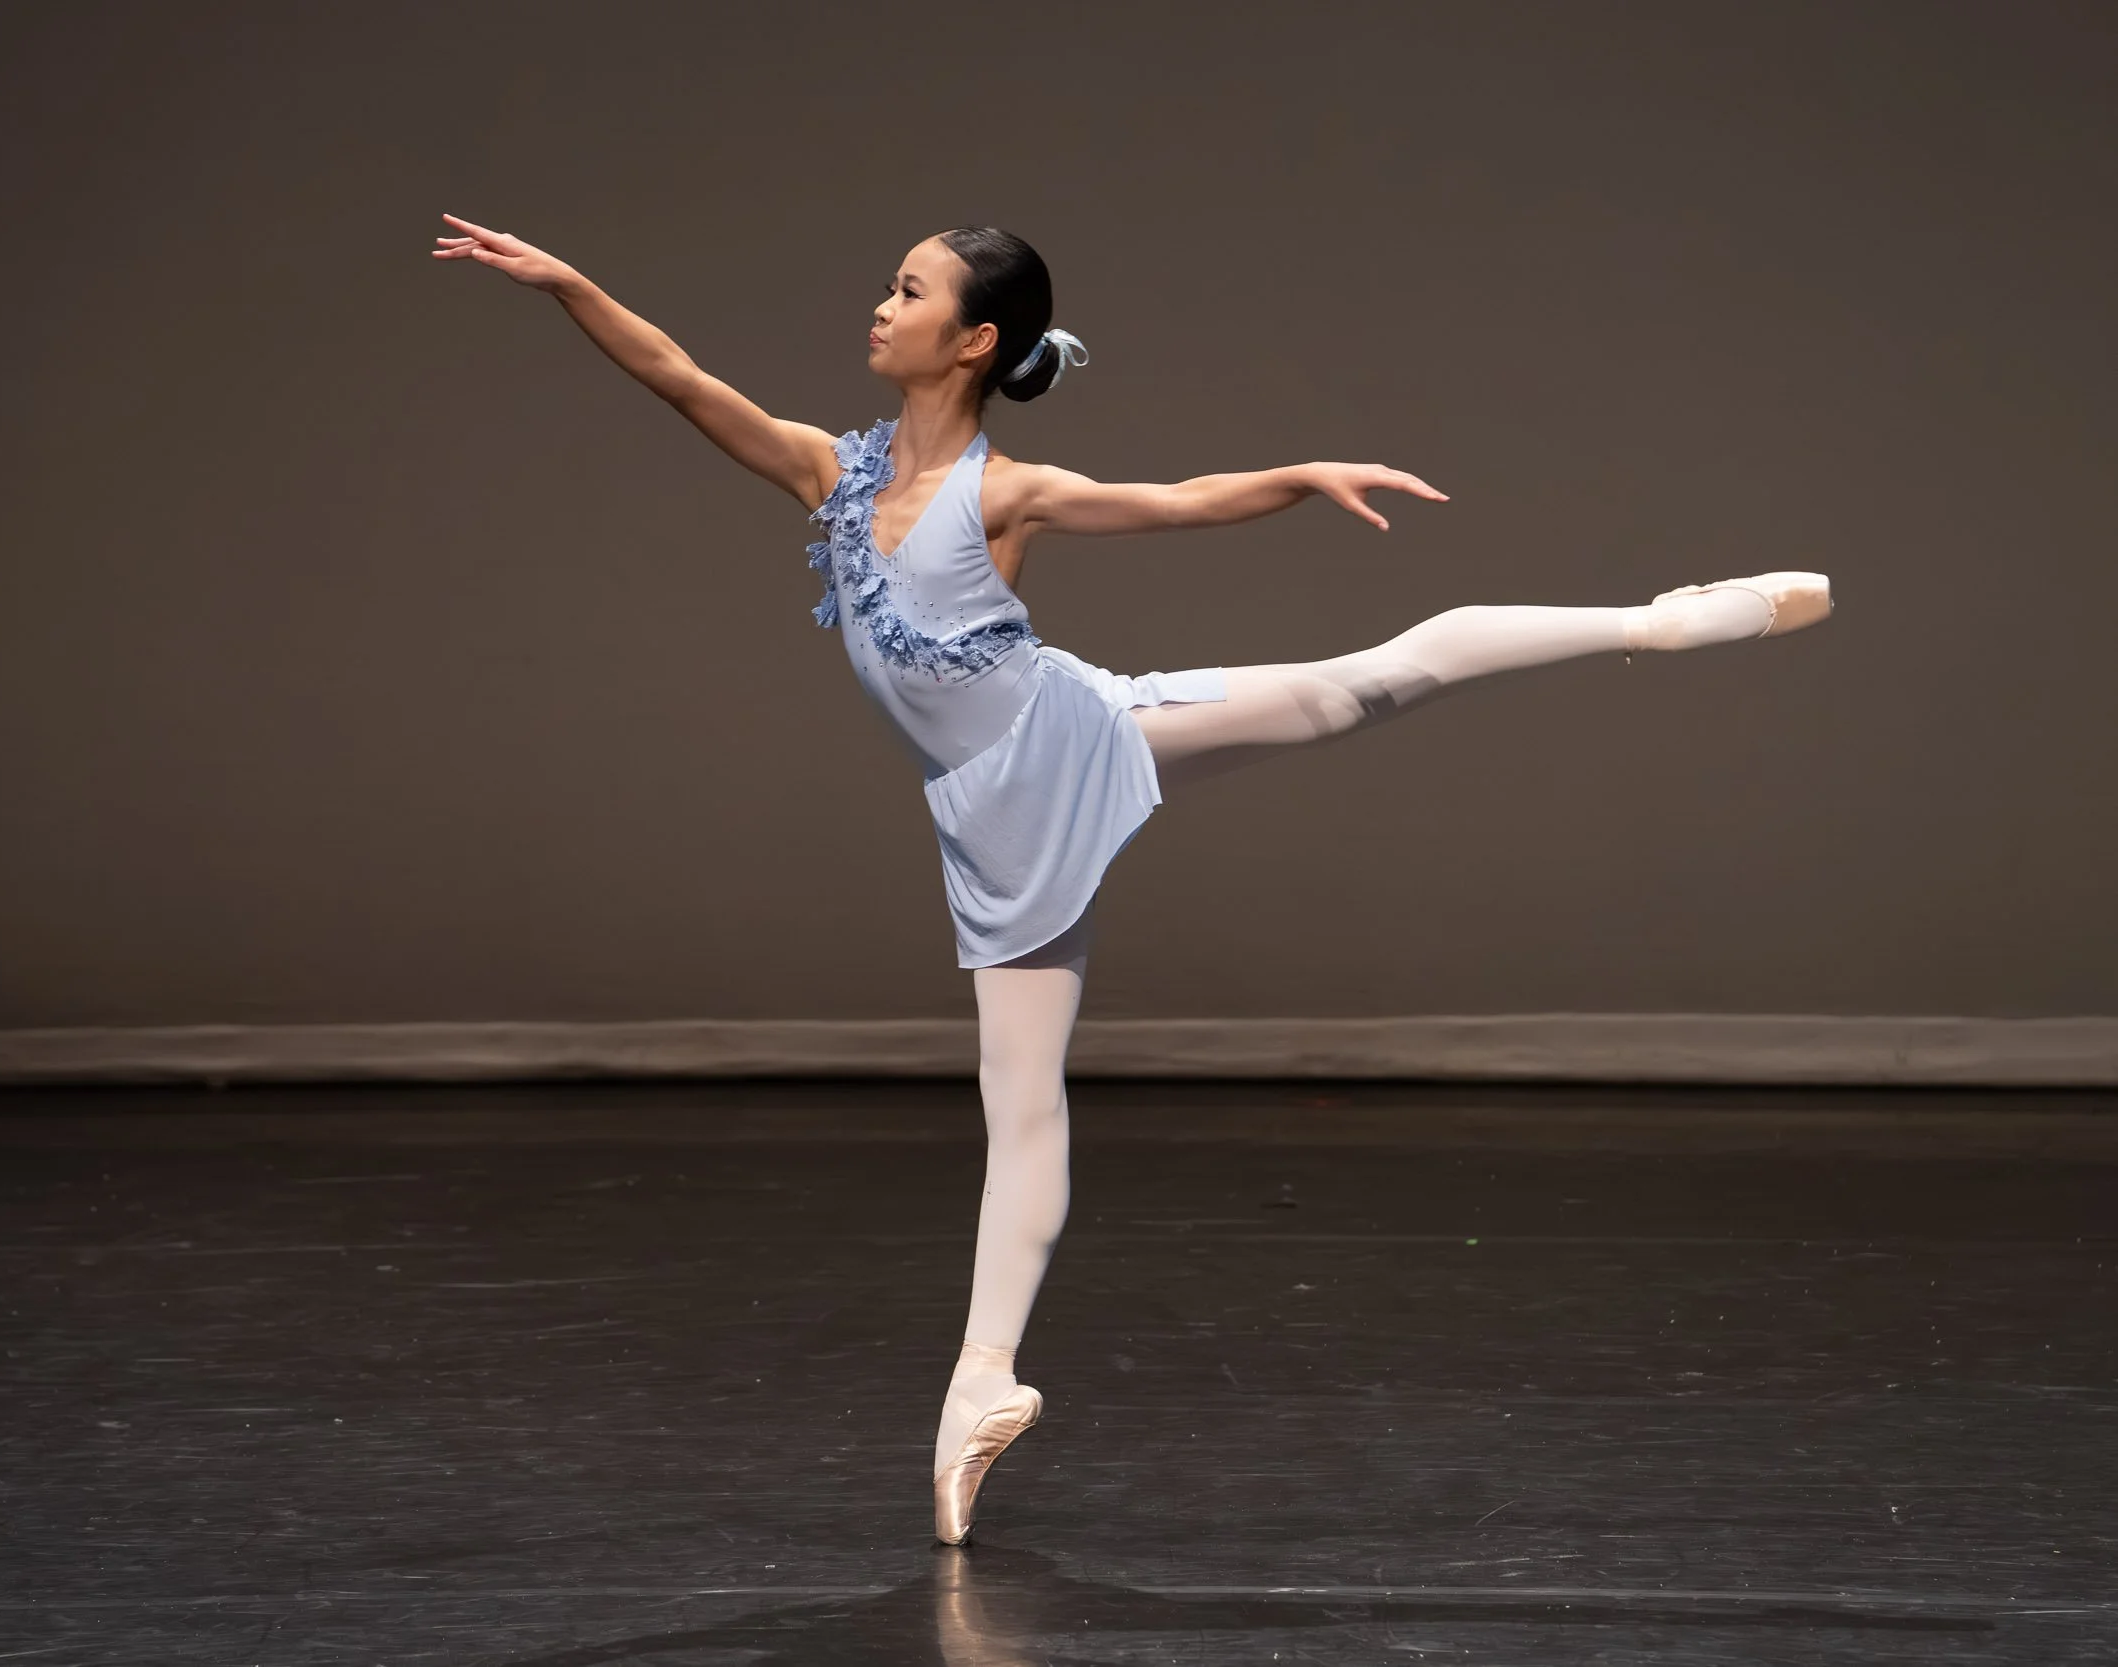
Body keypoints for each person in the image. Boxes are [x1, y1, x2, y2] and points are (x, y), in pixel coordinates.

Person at [431, 215, 1832, 1544]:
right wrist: (563, 282)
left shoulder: (1007, 490)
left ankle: (1662, 620)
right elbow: (679, 378)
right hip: (986, 824)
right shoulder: (833, 473)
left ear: (974, 340)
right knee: (1019, 1107)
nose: (882, 303)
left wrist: (1300, 477)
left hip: (1078, 735)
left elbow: (1173, 500)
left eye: (911, 290)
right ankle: (982, 1384)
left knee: (1365, 684)